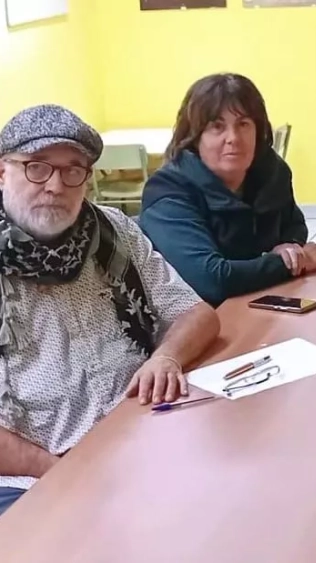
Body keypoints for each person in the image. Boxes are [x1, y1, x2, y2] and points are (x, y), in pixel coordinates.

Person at [0, 105, 220, 516]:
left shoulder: (112, 231)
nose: (55, 186)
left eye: (72, 170)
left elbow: (196, 313)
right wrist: (63, 472)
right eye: (36, 167)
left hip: (140, 432)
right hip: (34, 475)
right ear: (2, 172)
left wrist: (167, 357)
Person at [139, 73, 316, 307]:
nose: (233, 138)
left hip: (258, 306)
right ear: (195, 137)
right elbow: (210, 280)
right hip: (194, 316)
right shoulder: (167, 191)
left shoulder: (271, 170)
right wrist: (292, 264)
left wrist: (290, 247)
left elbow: (294, 225)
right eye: (217, 127)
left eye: (243, 124)